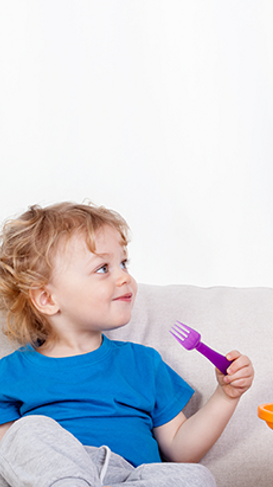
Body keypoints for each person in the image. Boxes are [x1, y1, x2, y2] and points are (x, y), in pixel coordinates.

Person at [0, 202, 254, 486]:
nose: (125, 277)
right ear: (47, 299)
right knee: (28, 432)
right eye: (102, 268)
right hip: (59, 477)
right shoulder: (8, 374)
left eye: (123, 263)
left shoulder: (143, 363)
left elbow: (182, 451)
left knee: (196, 477)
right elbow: (12, 459)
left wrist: (226, 395)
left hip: (134, 479)